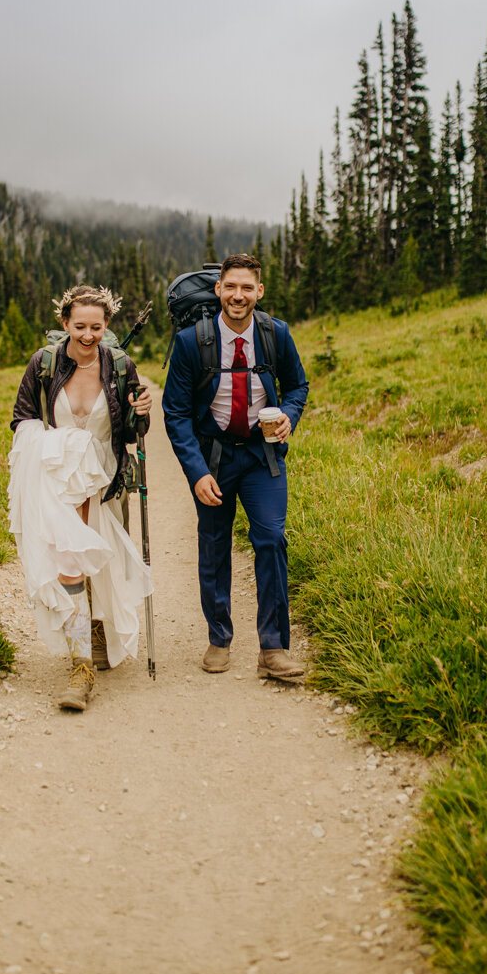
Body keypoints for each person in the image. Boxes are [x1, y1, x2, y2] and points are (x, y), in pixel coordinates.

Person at [162, 254, 309, 680]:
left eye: (247, 288)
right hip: (214, 458)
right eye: (231, 287)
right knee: (213, 546)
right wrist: (196, 473)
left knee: (272, 540)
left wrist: (289, 416)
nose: (238, 296)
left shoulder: (275, 334)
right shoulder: (193, 342)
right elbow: (175, 413)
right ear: (218, 290)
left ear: (259, 292)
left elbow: (298, 385)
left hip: (262, 456)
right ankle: (219, 638)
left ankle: (274, 648)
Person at [8, 285, 153, 712]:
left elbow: (132, 435)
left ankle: (94, 626)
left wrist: (140, 413)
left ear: (107, 325)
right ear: (64, 324)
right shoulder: (45, 363)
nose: (88, 335)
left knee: (99, 561)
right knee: (70, 561)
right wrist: (58, 448)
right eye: (79, 326)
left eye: (96, 326)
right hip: (57, 477)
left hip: (104, 478)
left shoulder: (121, 365)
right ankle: (80, 668)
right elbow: (22, 418)